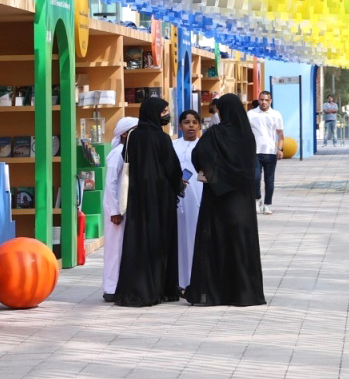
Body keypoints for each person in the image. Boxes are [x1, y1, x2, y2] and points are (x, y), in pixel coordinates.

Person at [188, 94, 266, 307]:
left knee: (218, 243)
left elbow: (198, 155)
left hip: (218, 198)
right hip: (242, 198)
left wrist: (214, 176)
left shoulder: (215, 134)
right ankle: (244, 293)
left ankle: (217, 293)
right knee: (241, 244)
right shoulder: (248, 136)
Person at [114, 97, 183, 307]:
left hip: (137, 196)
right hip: (161, 198)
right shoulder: (162, 139)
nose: (165, 115)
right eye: (163, 112)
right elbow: (172, 168)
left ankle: (135, 289)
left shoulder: (133, 136)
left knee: (138, 241)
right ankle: (161, 288)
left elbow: (126, 162)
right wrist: (179, 185)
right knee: (159, 241)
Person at [101, 117, 139, 301]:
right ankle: (111, 288)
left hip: (122, 208)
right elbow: (111, 183)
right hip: (115, 210)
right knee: (114, 250)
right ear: (125, 133)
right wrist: (115, 210)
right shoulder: (118, 153)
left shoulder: (128, 152)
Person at [174, 110, 204, 293]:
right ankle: (178, 281)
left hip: (198, 197)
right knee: (178, 238)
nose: (191, 126)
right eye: (186, 122)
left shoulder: (204, 146)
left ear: (200, 125)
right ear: (180, 126)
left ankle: (194, 281)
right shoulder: (172, 145)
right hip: (176, 198)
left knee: (194, 237)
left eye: (194, 122)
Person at [248, 90, 284, 215]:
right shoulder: (251, 114)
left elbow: (280, 134)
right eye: (261, 99)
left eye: (266, 100)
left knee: (269, 180)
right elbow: (246, 134)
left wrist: (280, 149)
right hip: (255, 152)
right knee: (255, 178)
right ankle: (257, 199)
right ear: (258, 100)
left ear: (270, 101)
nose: (263, 102)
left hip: (270, 152)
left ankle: (267, 204)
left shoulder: (276, 115)